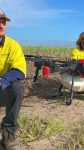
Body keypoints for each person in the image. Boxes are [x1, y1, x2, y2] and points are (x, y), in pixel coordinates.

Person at [0, 9, 26, 149]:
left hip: (2, 90)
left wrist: (2, 80)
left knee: (17, 86)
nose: (1, 25)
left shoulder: (13, 45)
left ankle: (8, 131)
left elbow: (20, 71)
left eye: (3, 22)